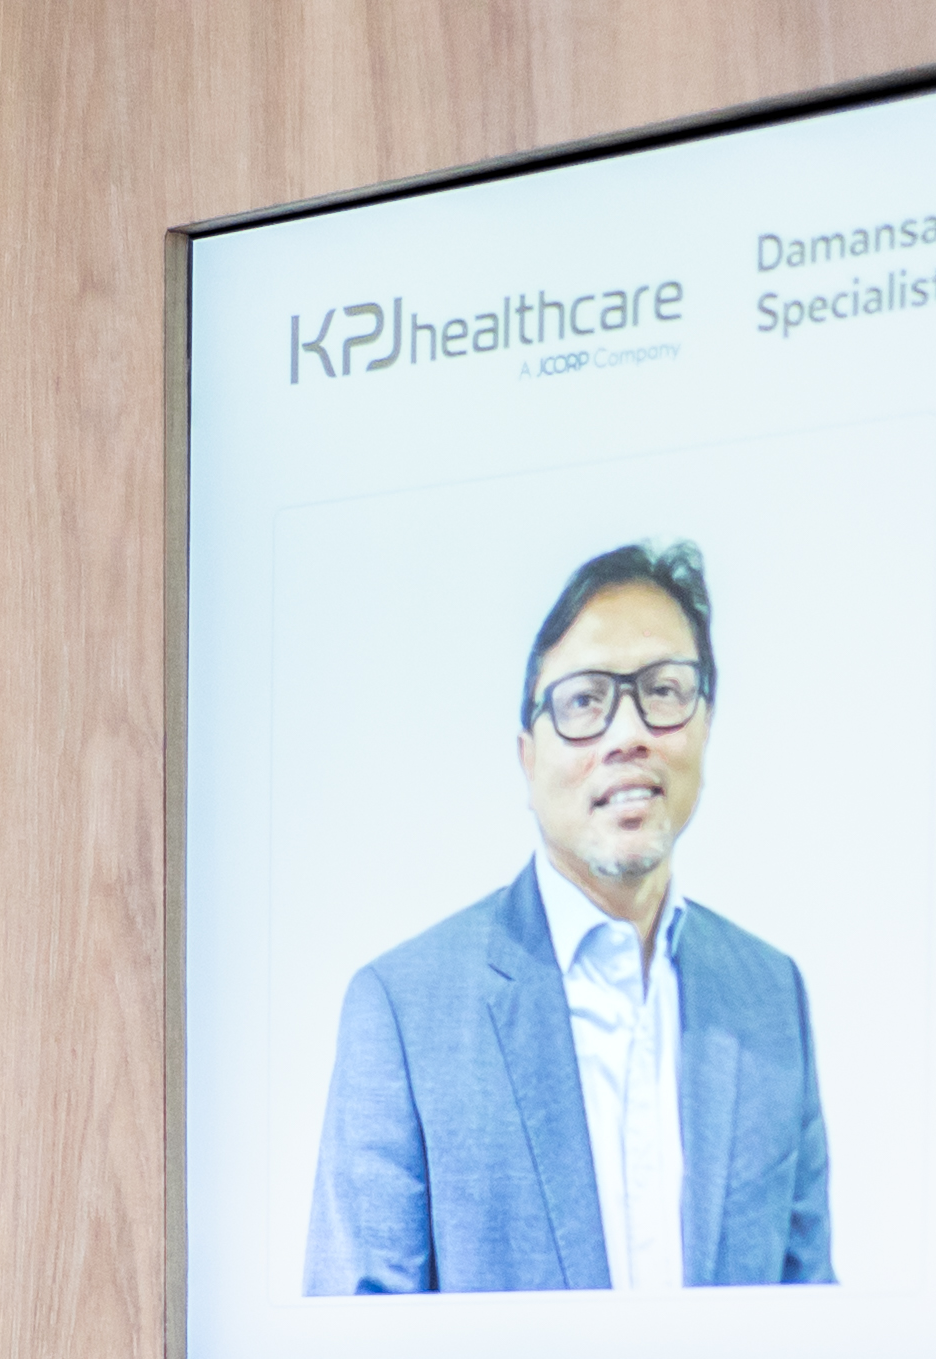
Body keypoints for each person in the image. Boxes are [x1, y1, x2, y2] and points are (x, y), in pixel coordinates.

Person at [307, 535, 837, 1294]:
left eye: (663, 690)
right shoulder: (404, 1012)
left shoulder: (769, 996)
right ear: (527, 757)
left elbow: (811, 1330)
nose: (628, 736)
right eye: (585, 701)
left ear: (706, 727)